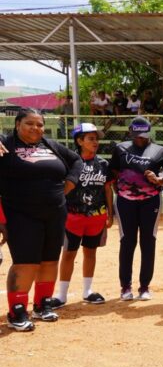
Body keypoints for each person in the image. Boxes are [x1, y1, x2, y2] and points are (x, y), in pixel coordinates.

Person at [0, 109, 82, 331]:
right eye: (29, 123)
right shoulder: (5, 145)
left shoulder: (50, 145)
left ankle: (42, 305)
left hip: (55, 213)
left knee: (49, 261)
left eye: (39, 124)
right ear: (17, 124)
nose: (35, 128)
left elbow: (76, 160)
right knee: (26, 262)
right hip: (21, 214)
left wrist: (70, 183)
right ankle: (17, 312)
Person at [110, 116, 163, 301]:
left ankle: (144, 286)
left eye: (143, 135)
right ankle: (125, 286)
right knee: (127, 242)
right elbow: (114, 172)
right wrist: (121, 190)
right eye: (136, 135)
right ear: (130, 132)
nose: (140, 138)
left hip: (150, 202)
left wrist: (158, 180)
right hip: (125, 202)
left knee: (148, 242)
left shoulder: (160, 151)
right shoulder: (121, 148)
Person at [56, 123, 114, 306]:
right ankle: (61, 295)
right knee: (68, 254)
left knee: (90, 252)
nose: (95, 142)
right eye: (91, 139)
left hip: (96, 217)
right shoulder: (70, 163)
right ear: (80, 141)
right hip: (72, 217)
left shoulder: (103, 164)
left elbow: (107, 189)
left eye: (96, 139)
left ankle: (87, 291)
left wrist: (110, 213)